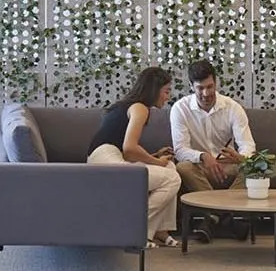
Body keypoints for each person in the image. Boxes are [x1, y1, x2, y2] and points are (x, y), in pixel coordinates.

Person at [88, 66, 184, 248]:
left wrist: (156, 156)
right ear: (154, 90)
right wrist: (156, 161)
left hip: (111, 157)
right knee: (172, 178)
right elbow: (130, 149)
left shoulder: (130, 106)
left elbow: (124, 151)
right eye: (166, 91)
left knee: (169, 167)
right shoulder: (140, 108)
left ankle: (161, 231)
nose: (168, 96)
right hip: (103, 160)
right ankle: (137, 231)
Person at [169, 59, 256, 197]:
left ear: (216, 83)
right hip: (200, 165)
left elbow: (247, 145)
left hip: (228, 164)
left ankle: (219, 210)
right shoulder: (180, 109)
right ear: (191, 86)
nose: (206, 93)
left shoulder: (233, 107)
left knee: (256, 168)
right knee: (183, 167)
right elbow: (180, 150)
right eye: (200, 88)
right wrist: (203, 156)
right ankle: (223, 210)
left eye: (210, 87)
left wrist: (240, 157)